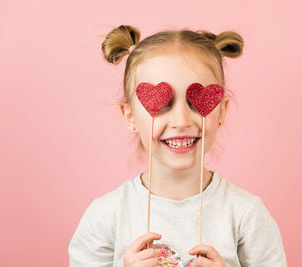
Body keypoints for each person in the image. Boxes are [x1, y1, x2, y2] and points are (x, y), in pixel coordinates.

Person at [68, 25, 288, 267]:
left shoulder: (247, 215)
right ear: (129, 116)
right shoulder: (106, 217)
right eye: (162, 105)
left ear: (222, 110)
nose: (181, 121)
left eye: (196, 103)